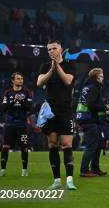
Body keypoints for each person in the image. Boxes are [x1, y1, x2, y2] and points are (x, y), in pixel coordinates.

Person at [36, 40, 77, 190]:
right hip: (50, 111)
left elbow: (67, 80)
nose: (51, 51)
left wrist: (57, 66)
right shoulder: (45, 67)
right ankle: (57, 180)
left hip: (65, 110)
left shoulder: (70, 65)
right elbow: (39, 83)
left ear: (60, 49)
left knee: (67, 144)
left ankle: (70, 180)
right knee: (53, 144)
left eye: (54, 48)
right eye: (49, 49)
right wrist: (51, 70)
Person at [76, 68, 109, 177]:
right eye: (101, 75)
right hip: (89, 119)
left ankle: (95, 168)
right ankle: (84, 170)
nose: (103, 77)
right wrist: (105, 108)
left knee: (99, 144)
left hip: (85, 118)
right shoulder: (94, 87)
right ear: (96, 77)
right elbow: (91, 104)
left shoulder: (87, 87)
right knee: (91, 146)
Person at [0, 72, 33, 177]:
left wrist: (21, 101)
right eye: (18, 79)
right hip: (10, 124)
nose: (20, 80)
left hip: (22, 125)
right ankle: (3, 170)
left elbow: (30, 108)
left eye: (22, 78)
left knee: (24, 147)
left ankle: (24, 170)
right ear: (13, 80)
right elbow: (3, 108)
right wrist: (14, 101)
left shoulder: (27, 92)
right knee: (5, 146)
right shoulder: (7, 93)